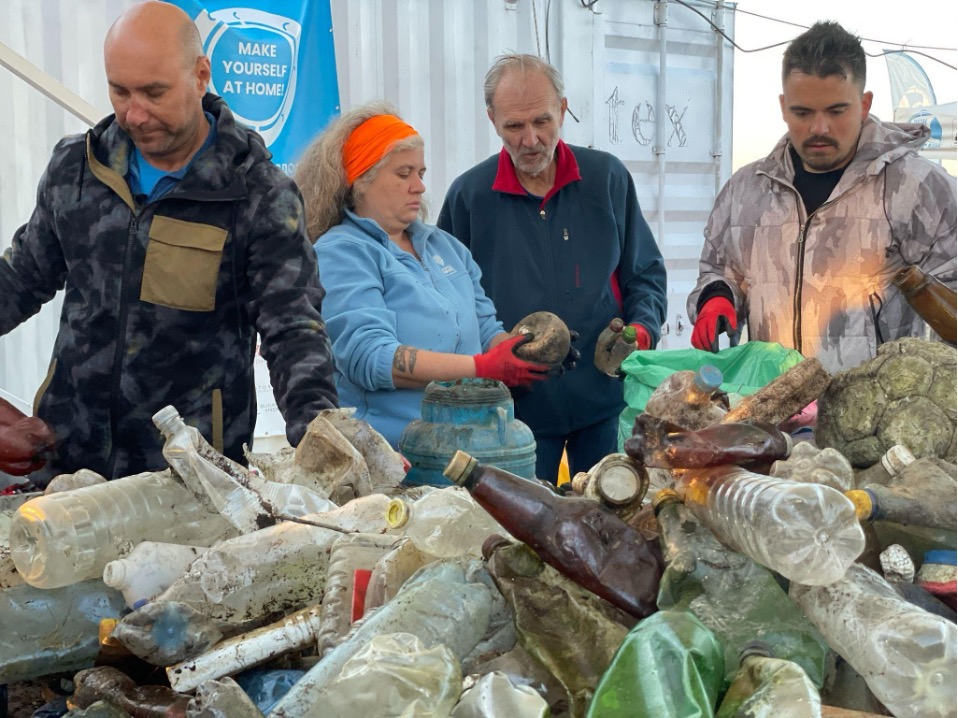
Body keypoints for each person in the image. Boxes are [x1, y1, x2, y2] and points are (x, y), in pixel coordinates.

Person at [0, 1, 338, 484]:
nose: (134, 114)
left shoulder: (256, 193)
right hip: (67, 467)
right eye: (120, 91)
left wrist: (319, 435)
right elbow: (20, 279)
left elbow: (293, 328)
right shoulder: (76, 169)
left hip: (192, 481)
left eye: (154, 93)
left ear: (201, 76)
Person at [437, 54, 667, 483]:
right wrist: (488, 359)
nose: (530, 139)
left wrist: (642, 332)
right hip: (514, 417)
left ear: (562, 109)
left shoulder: (606, 179)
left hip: (605, 402)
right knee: (525, 533)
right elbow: (447, 305)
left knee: (611, 523)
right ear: (492, 119)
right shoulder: (469, 198)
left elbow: (645, 274)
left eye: (542, 121)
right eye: (514, 126)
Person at [688, 21, 956, 373]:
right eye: (802, 113)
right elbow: (718, 269)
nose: (819, 128)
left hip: (878, 418)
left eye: (836, 111)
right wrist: (717, 296)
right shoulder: (745, 190)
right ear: (783, 107)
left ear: (864, 103)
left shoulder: (920, 189)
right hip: (772, 406)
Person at [295, 102, 564, 449]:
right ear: (361, 179)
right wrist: (482, 368)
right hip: (396, 454)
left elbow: (485, 329)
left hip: (472, 445)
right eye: (403, 174)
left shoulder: (444, 246)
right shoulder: (342, 252)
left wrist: (524, 352)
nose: (419, 187)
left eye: (420, 173)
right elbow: (370, 357)